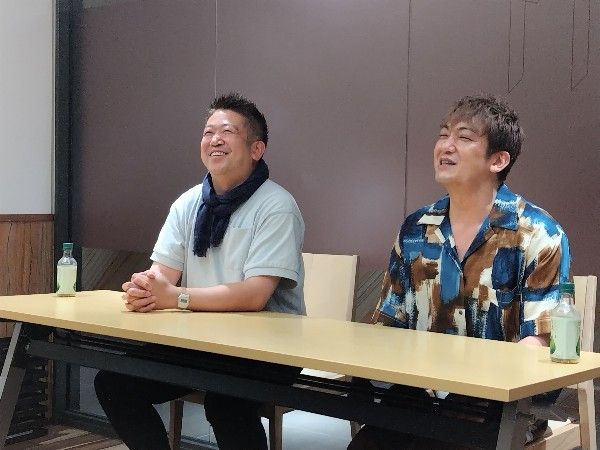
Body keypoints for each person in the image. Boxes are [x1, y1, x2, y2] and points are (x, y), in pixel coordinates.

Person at [348, 94, 570, 450]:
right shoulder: (416, 228)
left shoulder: (537, 233)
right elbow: (388, 322)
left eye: (464, 137)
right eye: (443, 134)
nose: (446, 146)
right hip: (420, 397)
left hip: (499, 406)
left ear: (498, 160)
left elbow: (540, 342)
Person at [94, 93, 305, 450]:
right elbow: (162, 276)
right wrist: (145, 288)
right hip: (201, 342)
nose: (215, 140)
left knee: (226, 403)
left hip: (269, 349)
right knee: (114, 383)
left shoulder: (277, 206)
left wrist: (175, 297)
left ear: (257, 149)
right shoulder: (189, 203)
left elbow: (255, 295)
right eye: (208, 132)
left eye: (227, 132)